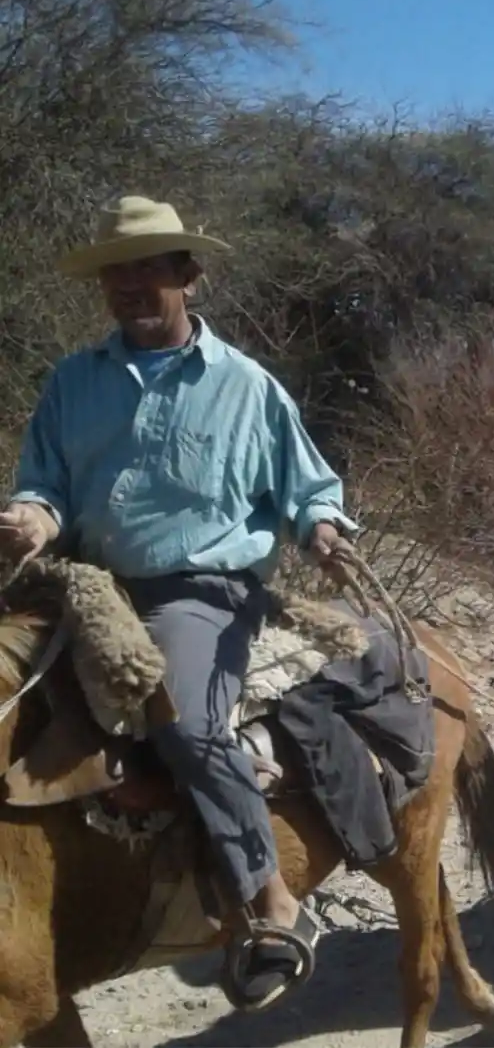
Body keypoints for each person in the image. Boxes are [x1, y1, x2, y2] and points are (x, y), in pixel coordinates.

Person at [0, 195, 359, 1010]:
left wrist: (323, 527)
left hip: (201, 587)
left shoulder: (247, 386)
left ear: (186, 276)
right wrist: (31, 516)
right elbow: (46, 484)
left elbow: (308, 486)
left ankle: (269, 898)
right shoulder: (73, 381)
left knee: (184, 719)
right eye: (115, 273)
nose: (128, 286)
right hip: (85, 580)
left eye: (147, 269)